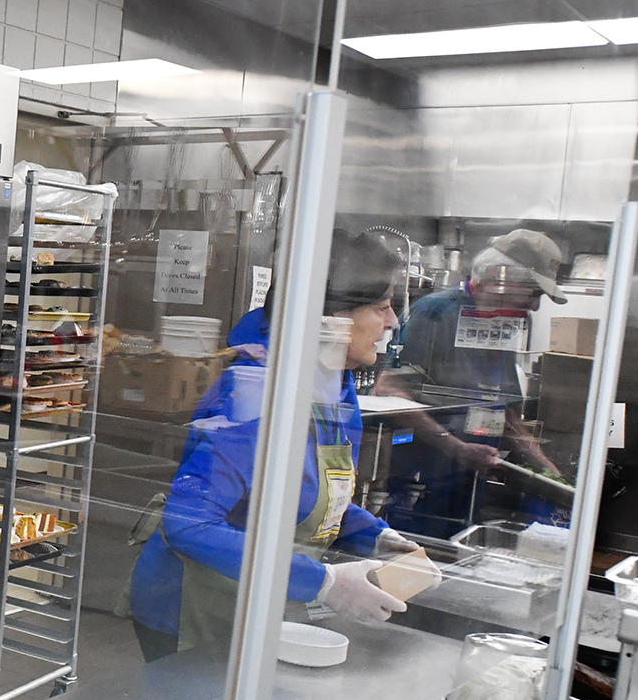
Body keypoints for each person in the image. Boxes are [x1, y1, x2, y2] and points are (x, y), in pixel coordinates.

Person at [128, 232, 421, 661]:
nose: (393, 321)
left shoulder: (334, 387)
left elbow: (304, 492)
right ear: (330, 319)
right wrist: (325, 583)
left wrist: (374, 536)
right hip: (193, 605)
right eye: (381, 307)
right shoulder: (256, 395)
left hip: (260, 598)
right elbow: (189, 526)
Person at [376, 228, 572, 538]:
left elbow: (507, 414)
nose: (535, 306)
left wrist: (553, 478)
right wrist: (455, 447)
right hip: (422, 480)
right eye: (533, 292)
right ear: (498, 277)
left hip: (470, 477)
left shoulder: (505, 323)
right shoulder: (435, 313)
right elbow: (388, 390)